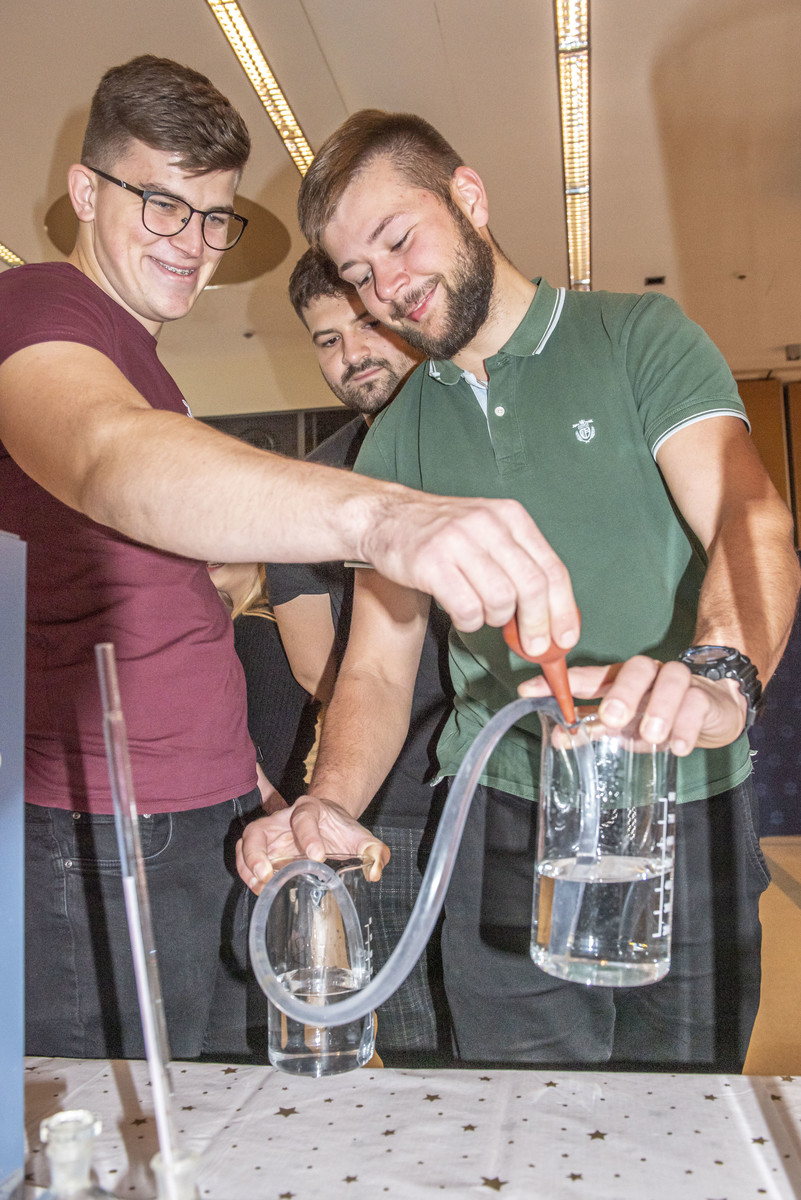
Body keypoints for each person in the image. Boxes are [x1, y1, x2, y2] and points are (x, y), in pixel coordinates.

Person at [0, 62, 579, 1061]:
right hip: (96, 832)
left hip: (208, 808)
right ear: (87, 194)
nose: (190, 242)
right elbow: (107, 459)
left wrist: (249, 785)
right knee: (118, 1114)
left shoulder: (144, 367)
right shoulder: (35, 308)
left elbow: (172, 615)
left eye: (213, 217)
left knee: (240, 1103)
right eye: (160, 204)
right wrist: (385, 519)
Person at [238, 110, 801, 1071]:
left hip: (681, 802)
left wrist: (719, 676)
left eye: (398, 240)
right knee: (517, 1106)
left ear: (468, 196)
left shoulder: (635, 337)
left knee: (680, 1111)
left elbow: (747, 521)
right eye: (359, 275)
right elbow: (374, 669)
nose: (387, 289)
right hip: (500, 813)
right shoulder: (399, 434)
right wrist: (328, 799)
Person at [264, 249, 454, 1062]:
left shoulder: (487, 446)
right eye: (328, 339)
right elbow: (317, 665)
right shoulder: (311, 486)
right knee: (413, 1036)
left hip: (513, 787)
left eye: (369, 325)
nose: (353, 354)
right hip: (391, 793)